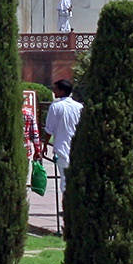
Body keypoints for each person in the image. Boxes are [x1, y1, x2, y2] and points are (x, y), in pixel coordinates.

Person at [41, 79, 82, 222]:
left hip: (62, 147)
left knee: (64, 179)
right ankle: (75, 206)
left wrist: (44, 144)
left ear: (62, 91)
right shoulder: (79, 107)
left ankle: (68, 208)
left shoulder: (56, 107)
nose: (53, 92)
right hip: (77, 148)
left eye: (56, 89)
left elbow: (49, 129)